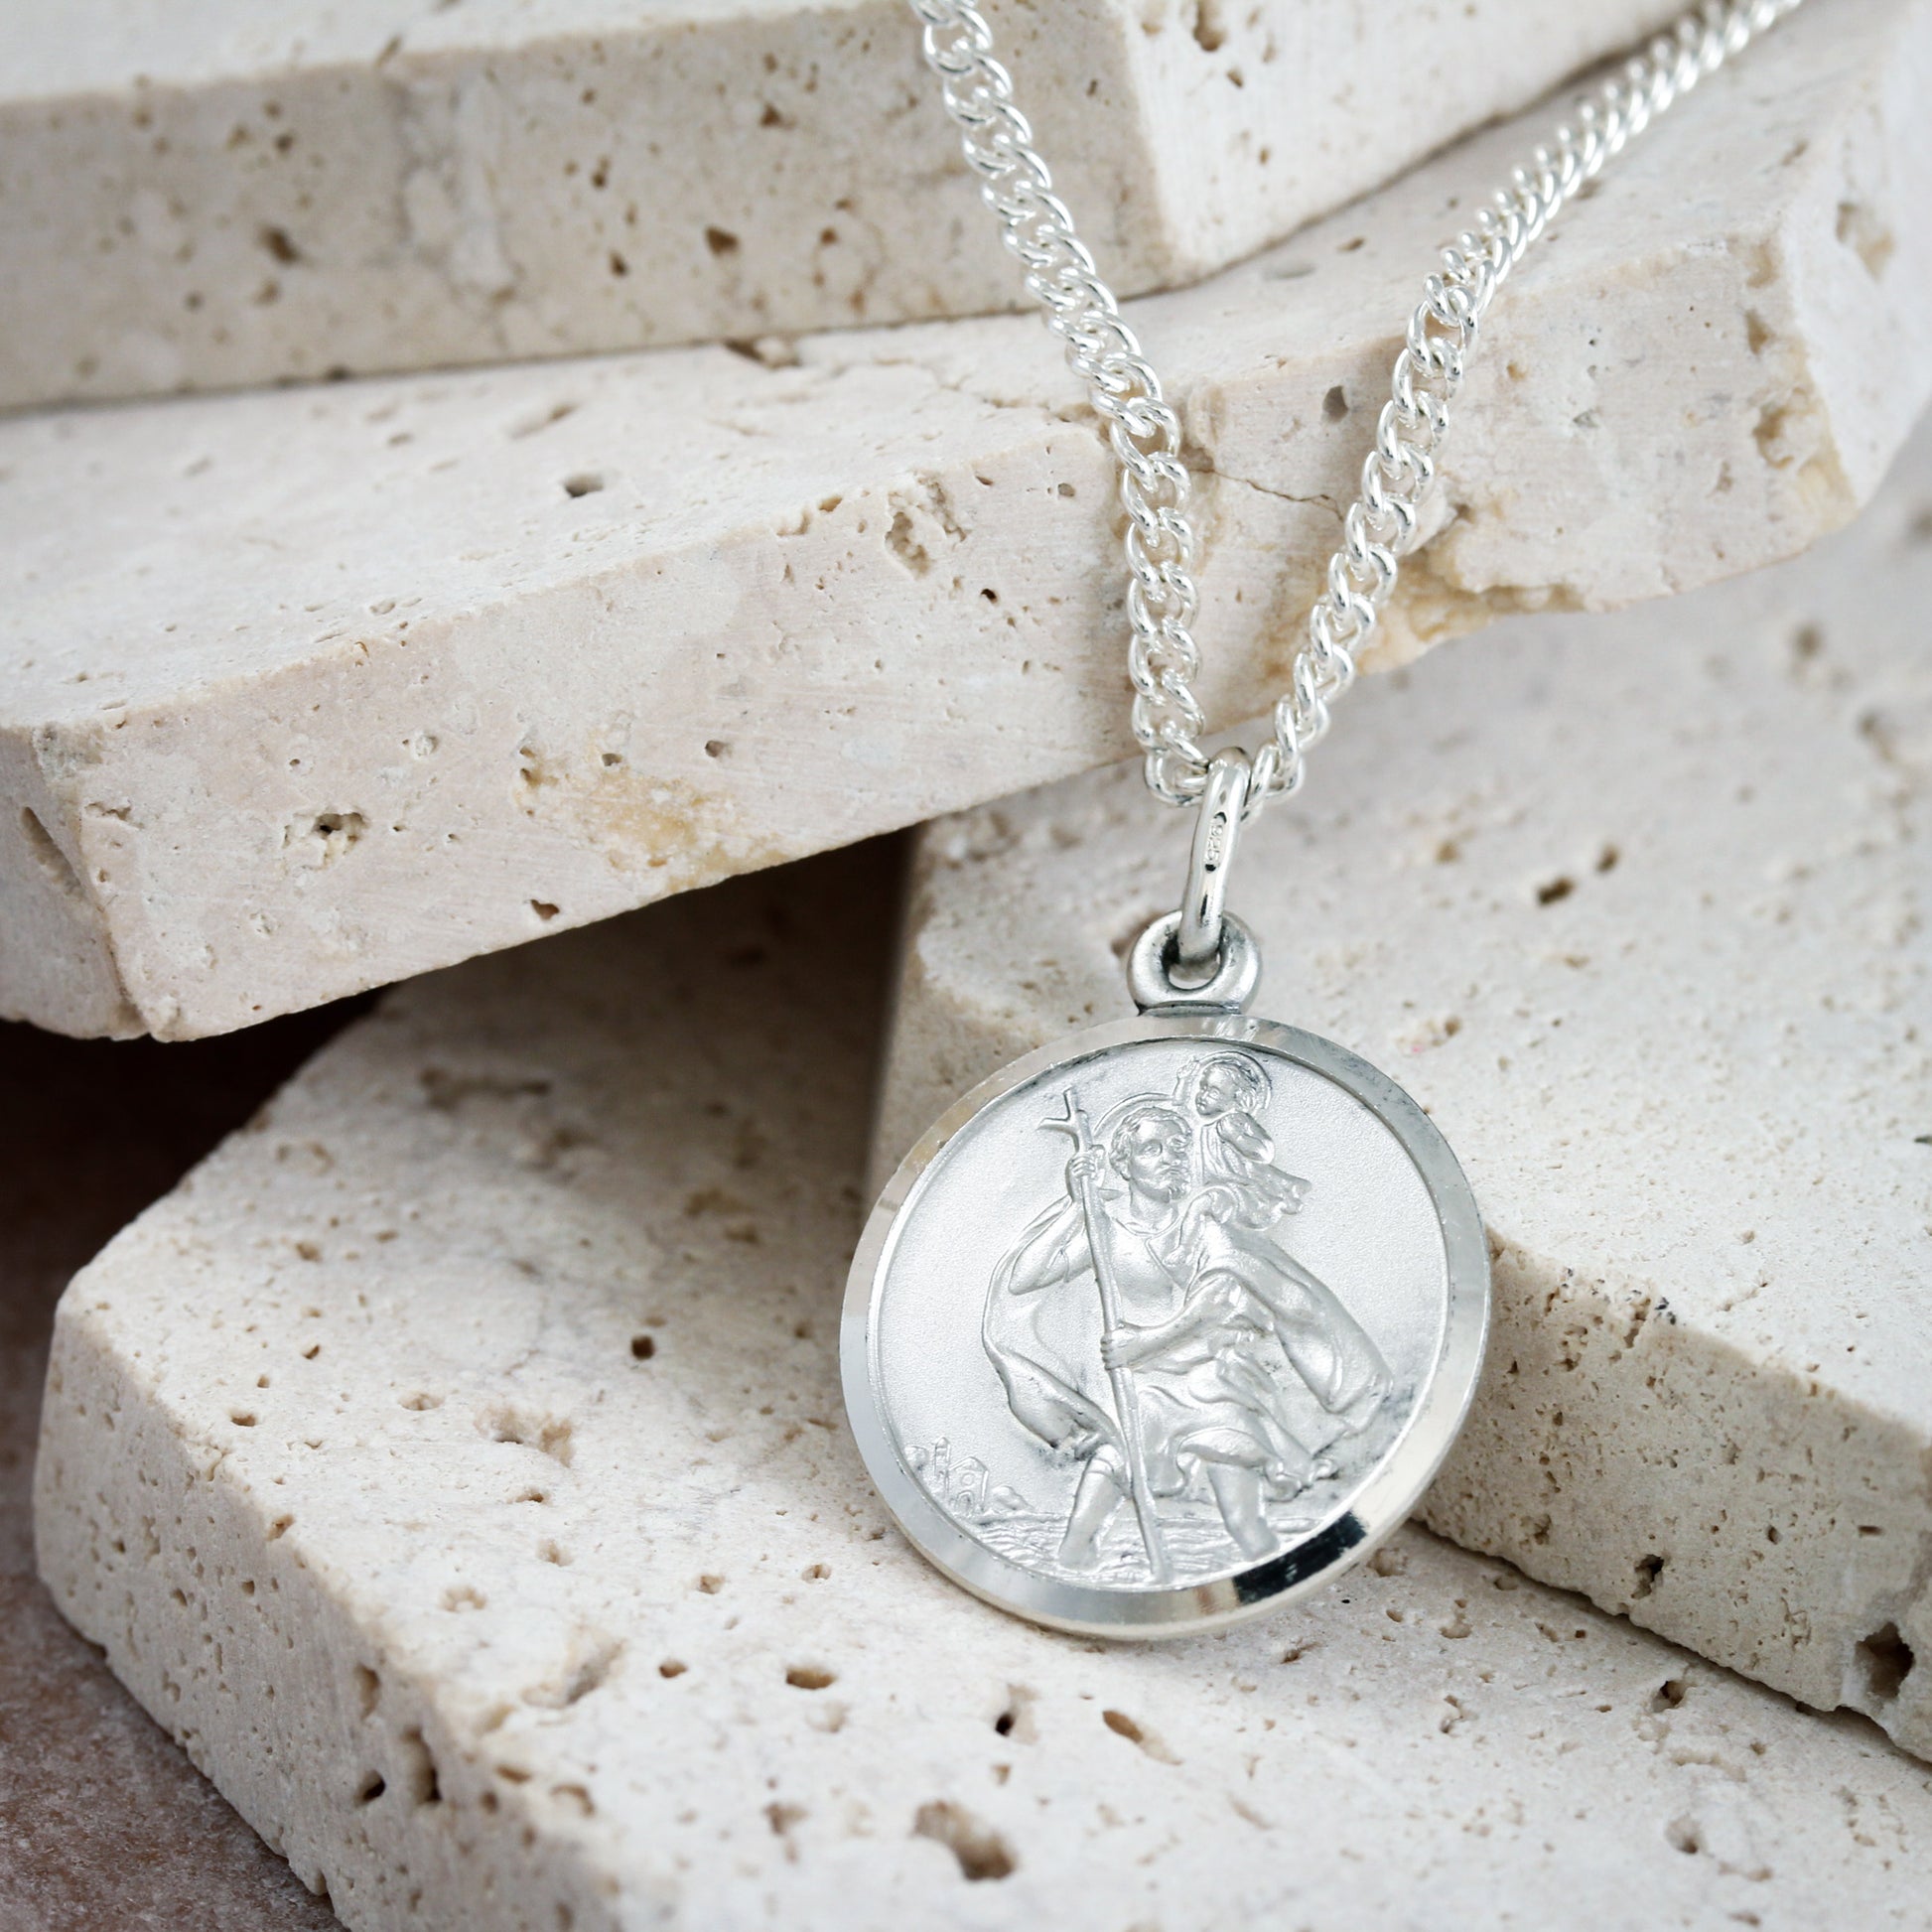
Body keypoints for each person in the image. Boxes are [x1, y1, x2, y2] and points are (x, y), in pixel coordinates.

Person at [983, 1089, 1391, 1573]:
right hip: (1142, 1386)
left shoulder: (1202, 1220)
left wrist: (1146, 1341)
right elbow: (1025, 1278)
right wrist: (1077, 1206)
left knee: (1241, 1501)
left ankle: (1260, 1576)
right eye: (1152, 1149)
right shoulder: (1106, 1228)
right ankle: (1075, 1554)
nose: (1169, 1159)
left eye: (1177, 1148)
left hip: (1210, 1379)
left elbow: (1216, 1298)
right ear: (1125, 1164)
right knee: (1116, 1457)